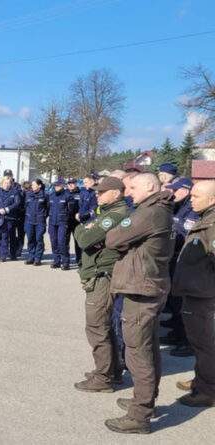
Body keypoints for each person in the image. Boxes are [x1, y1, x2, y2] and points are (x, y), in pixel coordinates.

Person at [103, 173, 174, 434]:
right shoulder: (154, 210)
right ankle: (145, 401)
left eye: (132, 187)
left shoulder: (150, 212)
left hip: (141, 288)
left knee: (137, 352)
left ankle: (140, 415)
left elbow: (111, 239)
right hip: (147, 285)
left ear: (149, 187)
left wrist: (123, 239)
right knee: (148, 347)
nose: (128, 191)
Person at [72, 176, 129, 393]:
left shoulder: (114, 215)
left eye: (102, 191)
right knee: (104, 326)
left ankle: (103, 377)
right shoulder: (107, 212)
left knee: (97, 327)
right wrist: (83, 230)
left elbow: (84, 239)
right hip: (99, 274)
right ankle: (111, 371)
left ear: (116, 193)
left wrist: (84, 232)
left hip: (102, 276)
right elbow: (81, 231)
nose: (97, 194)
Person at [171, 180, 215, 407]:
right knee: (199, 341)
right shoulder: (205, 218)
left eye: (197, 196)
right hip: (195, 291)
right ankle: (202, 379)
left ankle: (207, 390)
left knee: (203, 343)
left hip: (203, 294)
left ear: (212, 199)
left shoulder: (213, 224)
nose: (191, 200)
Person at [161, 177, 198, 357]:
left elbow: (187, 233)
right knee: (175, 300)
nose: (172, 193)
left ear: (187, 190)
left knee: (184, 304)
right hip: (174, 258)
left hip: (184, 260)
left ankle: (187, 341)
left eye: (176, 190)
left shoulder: (192, 210)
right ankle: (177, 332)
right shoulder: (180, 206)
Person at [48, 179, 72, 270]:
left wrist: (65, 219)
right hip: (52, 222)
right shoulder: (51, 196)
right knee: (54, 242)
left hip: (63, 222)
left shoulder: (67, 196)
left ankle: (65, 262)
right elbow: (48, 208)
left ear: (62, 186)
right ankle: (56, 261)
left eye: (58, 186)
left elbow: (71, 210)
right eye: (55, 186)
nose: (56, 187)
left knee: (62, 242)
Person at [23, 179, 48, 266]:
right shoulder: (28, 195)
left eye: (34, 184)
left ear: (39, 186)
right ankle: (31, 256)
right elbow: (25, 206)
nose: (32, 186)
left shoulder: (45, 195)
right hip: (29, 221)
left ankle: (38, 258)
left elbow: (47, 208)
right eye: (32, 184)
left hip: (40, 221)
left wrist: (43, 216)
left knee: (38, 239)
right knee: (30, 239)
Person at [67, 178, 83, 265]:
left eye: (72, 183)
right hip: (66, 220)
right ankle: (66, 259)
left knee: (78, 241)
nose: (70, 185)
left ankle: (79, 258)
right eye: (69, 183)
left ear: (76, 184)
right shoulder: (65, 193)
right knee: (65, 241)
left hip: (76, 221)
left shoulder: (80, 193)